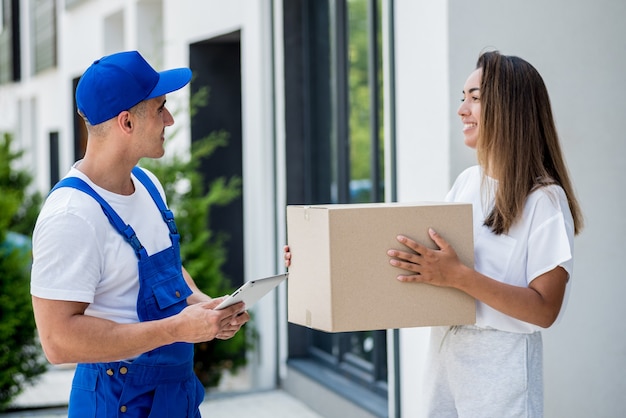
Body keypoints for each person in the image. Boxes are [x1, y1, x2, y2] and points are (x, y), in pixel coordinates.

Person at [284, 50, 583, 417]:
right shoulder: (468, 183)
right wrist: (316, 260)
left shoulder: (544, 201)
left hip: (501, 365)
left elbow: (544, 310)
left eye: (475, 98)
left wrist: (460, 276)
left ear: (510, 110)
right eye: (463, 98)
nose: (462, 110)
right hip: (446, 350)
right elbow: (422, 265)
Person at [31, 50, 250, 417]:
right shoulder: (72, 215)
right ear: (126, 123)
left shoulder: (147, 185)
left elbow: (163, 269)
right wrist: (177, 328)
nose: (170, 119)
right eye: (160, 108)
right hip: (117, 402)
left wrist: (203, 307)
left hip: (173, 396)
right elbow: (57, 342)